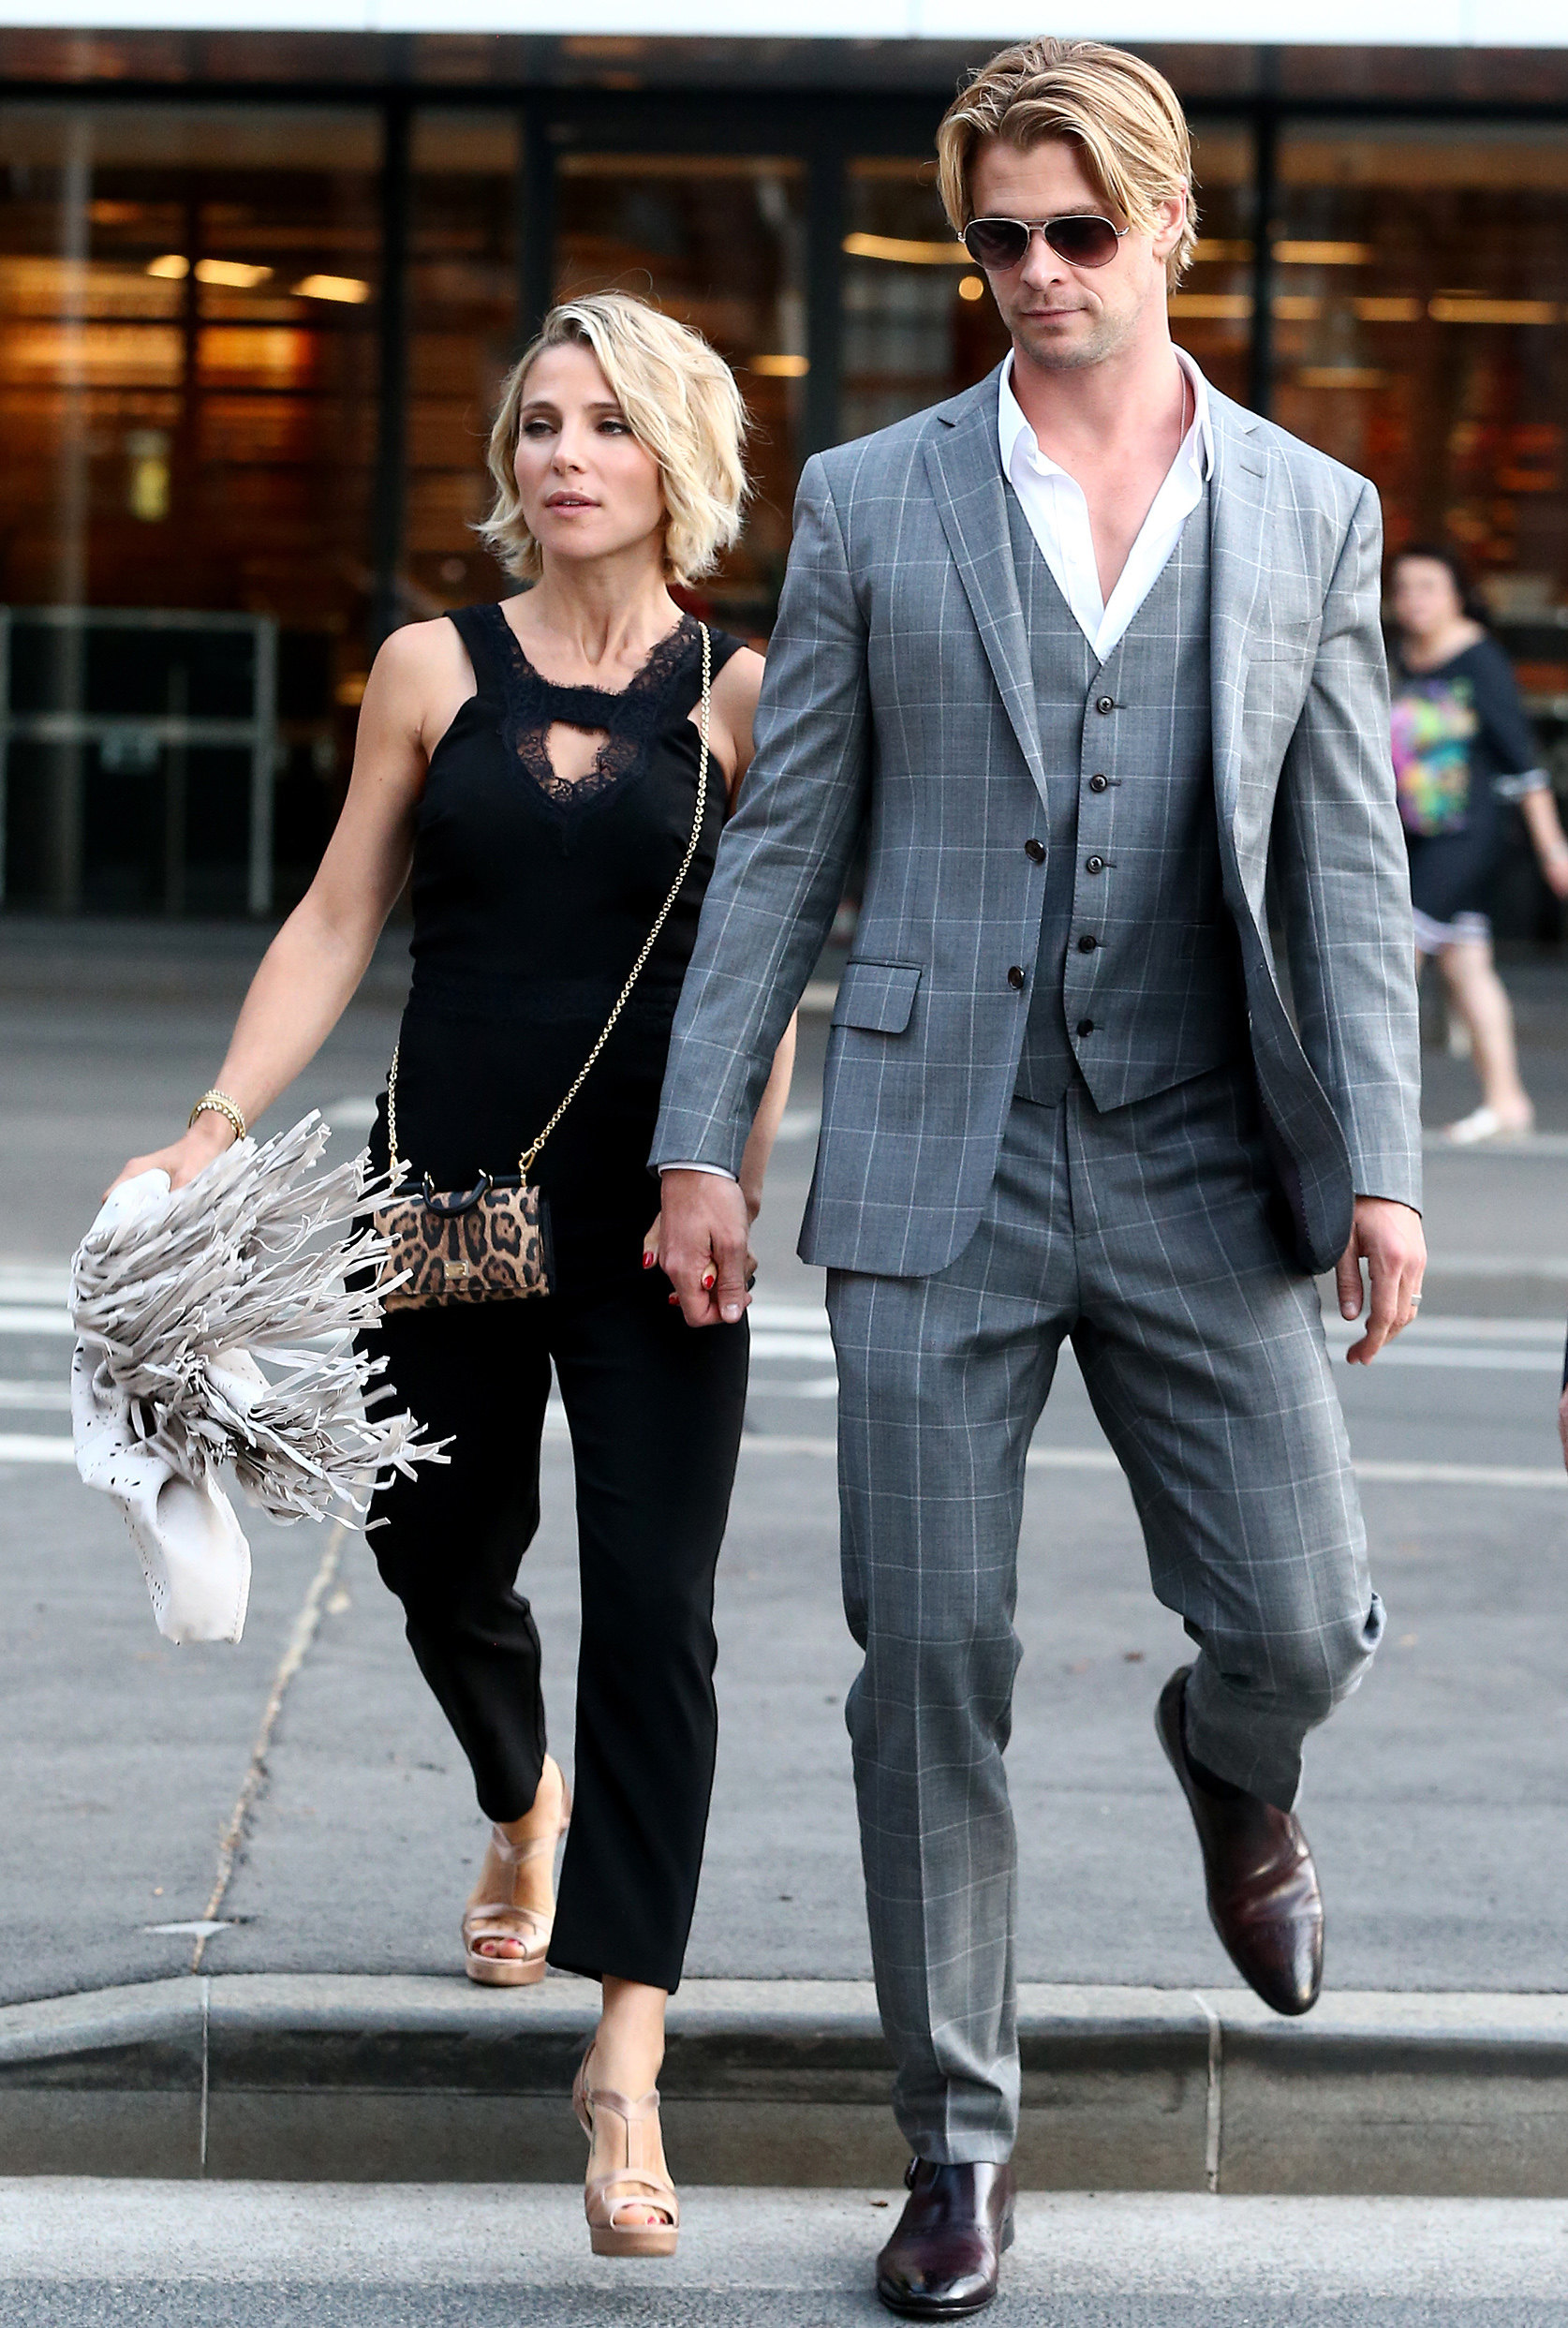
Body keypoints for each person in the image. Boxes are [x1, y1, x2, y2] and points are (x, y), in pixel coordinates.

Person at [652, 37, 1425, 2319]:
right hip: (933, 1154)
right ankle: (957, 2146)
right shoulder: (875, 498)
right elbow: (784, 846)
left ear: (1173, 223)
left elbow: (1349, 874)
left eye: (1078, 231)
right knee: (931, 1658)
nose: (1036, 273)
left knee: (1299, 1615)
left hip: (1202, 1149)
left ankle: (1230, 1757)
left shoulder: (1313, 511)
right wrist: (703, 1141)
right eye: (997, 238)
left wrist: (1382, 1168)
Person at [111, 290, 792, 2261]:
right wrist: (213, 1127)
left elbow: (767, 977)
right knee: (434, 1547)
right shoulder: (429, 667)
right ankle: (519, 1794)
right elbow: (340, 919)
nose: (565, 455)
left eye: (609, 423)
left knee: (655, 1609)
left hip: (655, 1217)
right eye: (540, 423)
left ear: (678, 458)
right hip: (442, 1203)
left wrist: (729, 1185)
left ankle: (625, 2053)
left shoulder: (745, 693)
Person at [1389, 541, 1568, 1143]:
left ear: (1458, 595)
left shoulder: (1479, 658)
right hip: (1417, 829)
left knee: (1395, 952)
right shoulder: (1402, 657)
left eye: (1428, 587)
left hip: (1467, 834)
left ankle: (1366, 1107)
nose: (1413, 599)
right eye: (1403, 587)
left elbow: (1523, 761)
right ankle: (1508, 1102)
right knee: (1467, 964)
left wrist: (1553, 849)